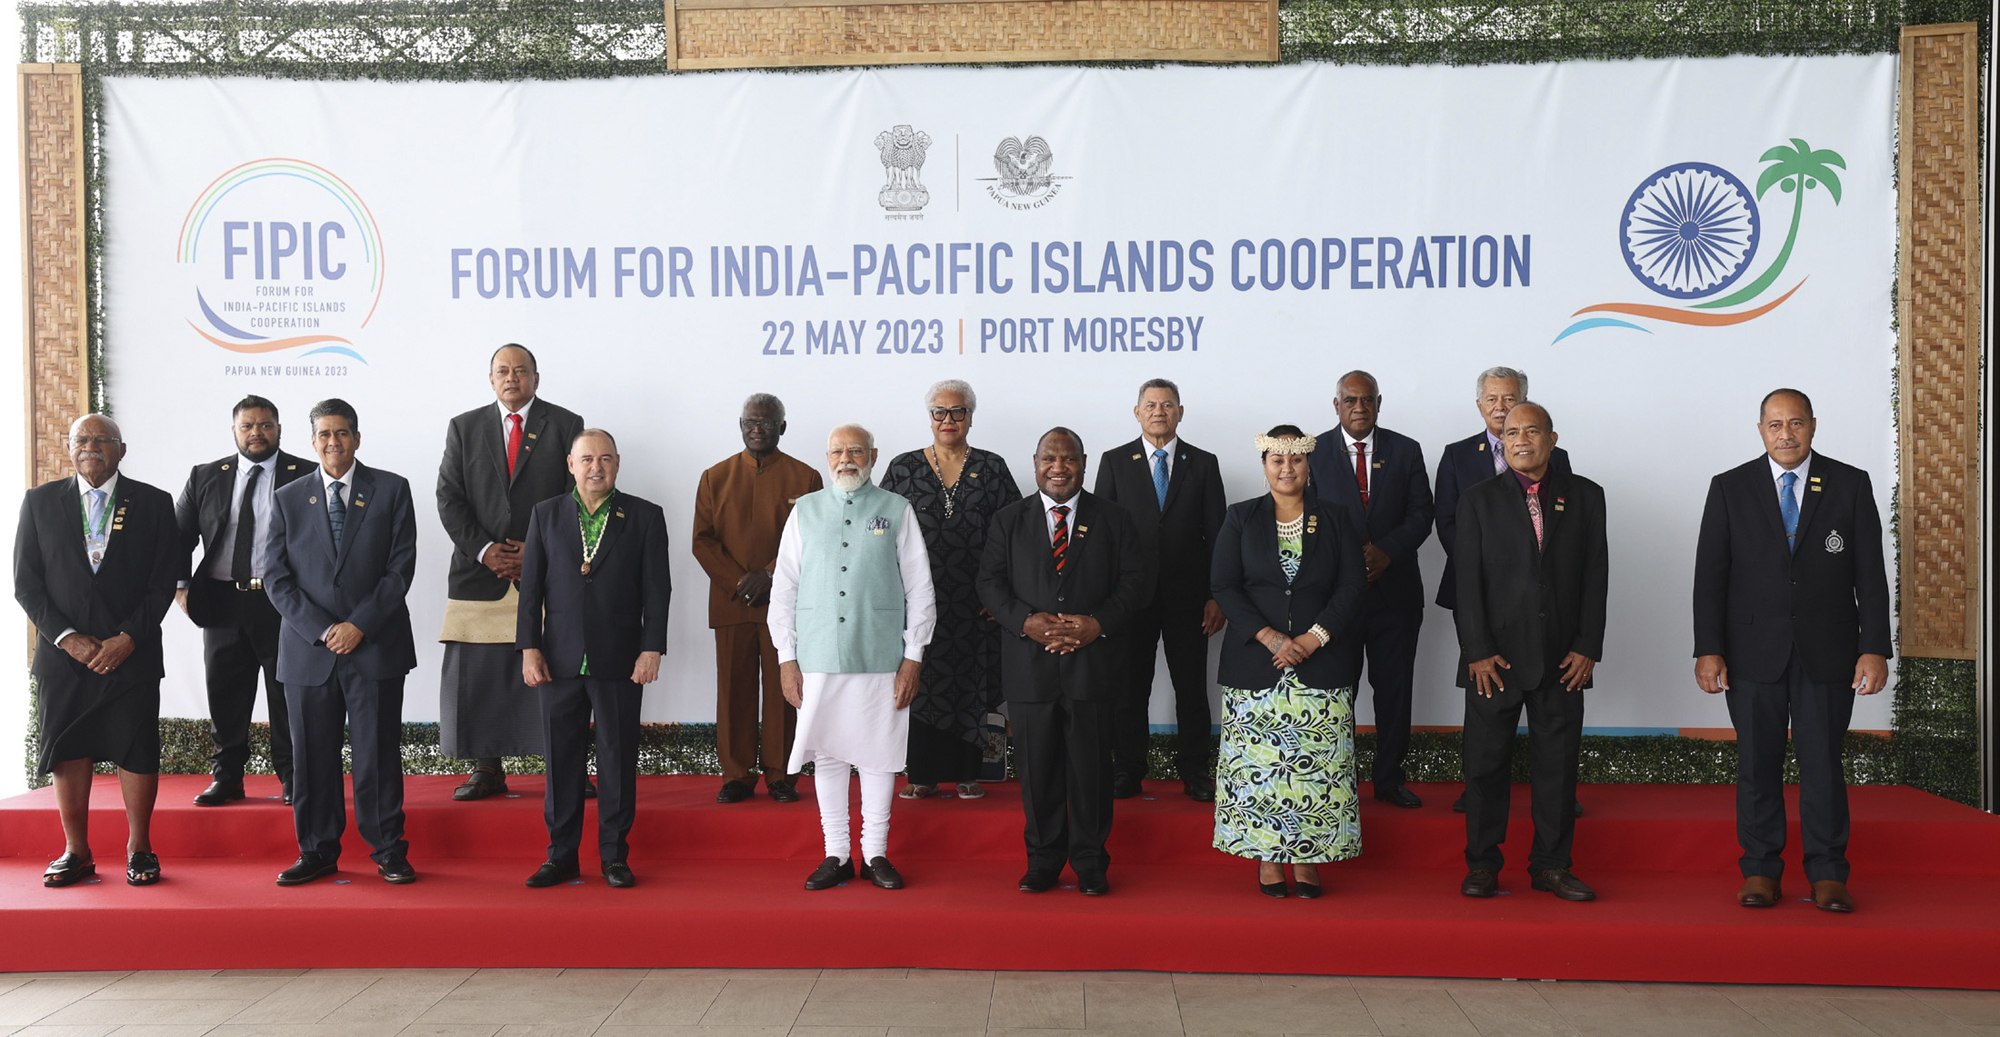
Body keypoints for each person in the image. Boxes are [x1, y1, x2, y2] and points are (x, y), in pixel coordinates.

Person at [1693, 388, 1889, 914]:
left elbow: (1870, 574)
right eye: (1775, 424)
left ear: (1813, 426)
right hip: (1752, 651)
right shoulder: (1730, 487)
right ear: (1761, 430)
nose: (1786, 433)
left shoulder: (1848, 484)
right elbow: (1710, 576)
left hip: (1829, 652)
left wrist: (1874, 648)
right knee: (1757, 765)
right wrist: (1708, 649)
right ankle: (1760, 870)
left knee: (1823, 764)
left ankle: (1827, 874)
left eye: (1796, 423)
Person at [978, 428, 1145, 896]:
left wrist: (1097, 624)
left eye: (1067, 458)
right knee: (1038, 772)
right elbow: (989, 583)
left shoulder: (1113, 519)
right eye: (1049, 458)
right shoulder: (1008, 520)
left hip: (1093, 668)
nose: (1058, 467)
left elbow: (1135, 583)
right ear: (1034, 463)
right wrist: (1025, 622)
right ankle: (1044, 861)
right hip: (1030, 670)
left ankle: (1091, 863)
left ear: (1084, 463)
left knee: (1091, 772)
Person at [14, 414, 179, 887]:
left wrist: (128, 638)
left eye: (101, 440)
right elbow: (27, 584)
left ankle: (140, 848)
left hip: (133, 652)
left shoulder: (152, 503)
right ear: (69, 449)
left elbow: (163, 582)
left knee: (137, 749)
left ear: (121, 450)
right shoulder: (39, 503)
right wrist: (67, 638)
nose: (91, 447)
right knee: (67, 750)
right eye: (81, 440)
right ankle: (76, 851)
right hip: (64, 657)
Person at [769, 424, 936, 891]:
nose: (847, 459)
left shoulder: (896, 510)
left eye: (856, 451)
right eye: (838, 451)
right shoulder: (804, 511)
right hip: (818, 655)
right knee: (829, 756)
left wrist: (913, 656)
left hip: (882, 654)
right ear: (827, 457)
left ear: (873, 456)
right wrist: (786, 657)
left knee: (880, 757)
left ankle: (876, 852)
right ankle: (837, 853)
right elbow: (783, 589)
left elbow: (920, 588)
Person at [1453, 402, 1607, 902]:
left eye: (1532, 431)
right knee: (1485, 766)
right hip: (1492, 662)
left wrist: (1587, 647)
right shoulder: (1477, 500)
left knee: (1558, 768)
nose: (1520, 439)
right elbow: (1466, 583)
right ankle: (1482, 865)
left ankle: (1552, 866)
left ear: (1552, 438)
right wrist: (1476, 651)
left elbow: (1595, 578)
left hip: (1563, 661)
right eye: (1511, 431)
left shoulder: (1586, 496)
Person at [263, 399, 420, 886]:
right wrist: (322, 629)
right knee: (312, 757)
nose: (334, 442)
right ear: (312, 441)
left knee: (378, 753)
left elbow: (400, 570)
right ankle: (317, 850)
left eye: (343, 433)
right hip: (309, 652)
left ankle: (387, 848)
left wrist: (358, 626)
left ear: (357, 437)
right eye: (325, 434)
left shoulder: (391, 489)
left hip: (374, 646)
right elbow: (275, 577)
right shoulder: (288, 497)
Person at [1210, 426, 1366, 898]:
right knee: (1260, 772)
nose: (1286, 469)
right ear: (1264, 466)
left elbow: (1352, 587)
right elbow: (1225, 586)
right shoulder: (1241, 517)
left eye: (1295, 460)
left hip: (1321, 663)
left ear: (1308, 465)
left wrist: (1313, 639)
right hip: (1257, 665)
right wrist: (1273, 637)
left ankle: (1310, 857)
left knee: (1317, 771)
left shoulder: (1336, 517)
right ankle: (1268, 858)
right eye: (1277, 460)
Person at [517, 429, 671, 889]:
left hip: (621, 659)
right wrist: (529, 648)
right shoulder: (545, 515)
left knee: (617, 759)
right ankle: (561, 855)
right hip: (557, 660)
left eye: (605, 459)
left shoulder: (644, 516)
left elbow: (657, 591)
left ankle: (614, 857)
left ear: (618, 463)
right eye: (587, 459)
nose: (595, 467)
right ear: (571, 464)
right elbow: (531, 590)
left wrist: (652, 647)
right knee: (561, 760)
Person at [436, 344, 587, 802]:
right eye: (503, 371)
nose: (512, 378)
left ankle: (566, 770)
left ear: (536, 378)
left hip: (546, 571)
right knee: (480, 676)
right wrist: (485, 550)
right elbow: (449, 497)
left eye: (521, 371)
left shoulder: (565, 425)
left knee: (554, 671)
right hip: (478, 572)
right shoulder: (464, 427)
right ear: (491, 379)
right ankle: (487, 769)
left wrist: (537, 552)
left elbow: (575, 495)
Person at [1433, 367, 1578, 818]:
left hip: (1542, 605)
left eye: (1509, 398)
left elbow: (1564, 527)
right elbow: (1448, 524)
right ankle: (1475, 788)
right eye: (1492, 399)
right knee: (1485, 693)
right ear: (1480, 406)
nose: (1500, 406)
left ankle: (1556, 796)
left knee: (1549, 708)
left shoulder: (1557, 455)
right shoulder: (1457, 456)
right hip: (1479, 597)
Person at [880, 379, 1020, 800]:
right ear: (930, 417)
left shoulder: (992, 467)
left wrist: (1005, 599)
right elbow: (881, 533)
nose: (948, 419)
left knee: (973, 684)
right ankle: (921, 775)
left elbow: (1014, 535)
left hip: (978, 603)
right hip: (917, 601)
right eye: (939, 412)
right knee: (920, 683)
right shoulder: (903, 467)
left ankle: (968, 773)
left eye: (957, 411)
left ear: (970, 417)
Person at [174, 395, 312, 807]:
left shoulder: (305, 473)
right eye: (248, 426)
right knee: (225, 694)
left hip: (281, 602)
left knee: (285, 692)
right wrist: (181, 587)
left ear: (279, 429)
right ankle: (227, 777)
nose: (257, 433)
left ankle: (292, 778)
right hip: (222, 601)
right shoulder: (205, 476)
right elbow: (178, 537)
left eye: (266, 425)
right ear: (234, 430)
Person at [1094, 378, 1226, 802]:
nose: (1158, 411)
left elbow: (1218, 536)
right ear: (1137, 412)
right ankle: (1127, 770)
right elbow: (1102, 536)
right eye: (1150, 404)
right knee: (1130, 690)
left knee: (1192, 689)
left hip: (1190, 599)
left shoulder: (1203, 463)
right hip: (1130, 600)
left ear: (1180, 412)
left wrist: (1216, 595)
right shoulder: (1115, 462)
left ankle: (1195, 772)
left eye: (1167, 405)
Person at [1308, 371, 1434, 808]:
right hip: (1336, 599)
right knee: (1338, 691)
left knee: (1394, 690)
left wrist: (1386, 552)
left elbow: (1422, 514)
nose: (1359, 408)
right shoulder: (1313, 451)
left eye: (1366, 400)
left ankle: (1389, 780)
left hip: (1395, 593)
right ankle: (1336, 780)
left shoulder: (1406, 449)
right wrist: (1347, 563)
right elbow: (1304, 515)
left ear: (1379, 403)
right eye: (1350, 400)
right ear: (1336, 404)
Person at [692, 393, 821, 804]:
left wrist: (768, 574)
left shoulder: (807, 479)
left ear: (782, 427)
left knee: (786, 691)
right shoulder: (715, 477)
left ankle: (781, 775)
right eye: (751, 421)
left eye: (766, 422)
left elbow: (813, 540)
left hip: (786, 603)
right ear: (741, 424)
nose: (757, 428)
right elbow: (702, 541)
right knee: (734, 690)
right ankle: (736, 774)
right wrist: (740, 582)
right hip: (732, 604)